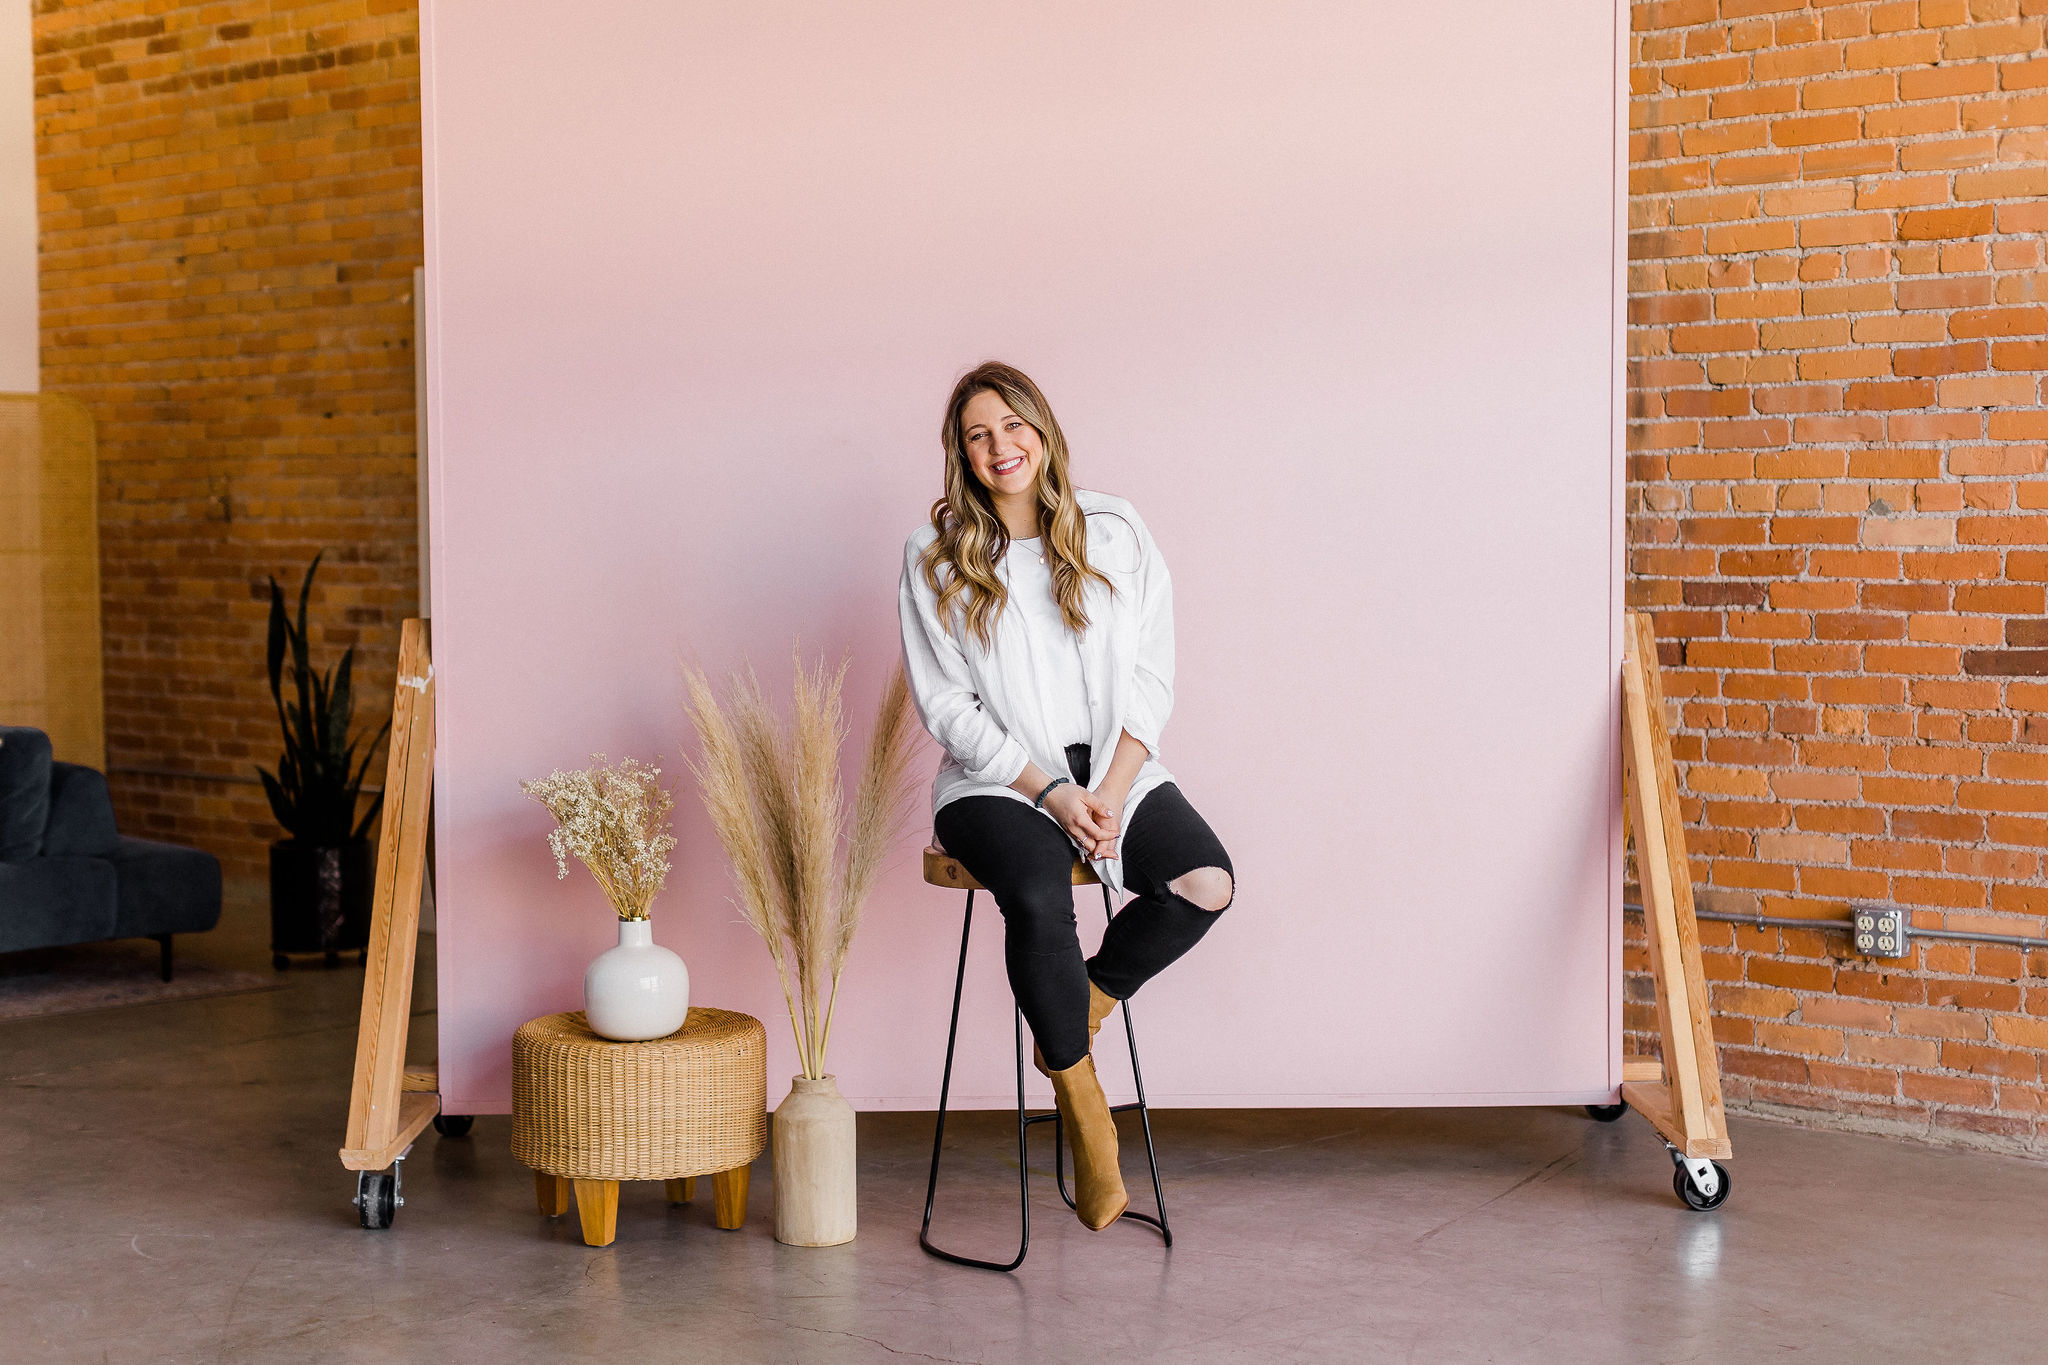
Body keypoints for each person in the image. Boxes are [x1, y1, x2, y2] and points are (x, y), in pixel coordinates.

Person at [897, 360, 1236, 1231]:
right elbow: (948, 707)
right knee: (1041, 897)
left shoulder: (1117, 528)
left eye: (1012, 426)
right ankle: (1086, 1111)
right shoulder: (937, 560)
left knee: (1205, 881)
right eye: (978, 435)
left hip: (1114, 770)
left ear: (1041, 431)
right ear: (961, 456)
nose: (999, 447)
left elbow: (1153, 674)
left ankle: (1072, 1010)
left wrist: (1112, 791)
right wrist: (1050, 793)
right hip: (995, 781)